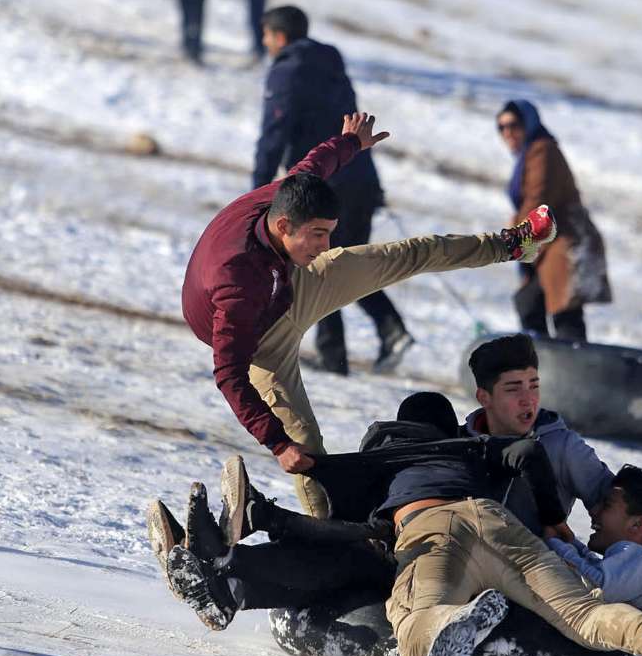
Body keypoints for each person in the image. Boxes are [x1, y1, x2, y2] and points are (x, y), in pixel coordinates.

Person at [162, 392, 642, 656]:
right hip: (504, 530)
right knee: (589, 618)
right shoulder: (477, 451)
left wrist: (281, 512)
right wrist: (553, 521)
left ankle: (445, 627)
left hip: (430, 537)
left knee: (410, 622)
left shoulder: (388, 456)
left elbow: (356, 524)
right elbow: (528, 453)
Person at [181, 110, 557, 518]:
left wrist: (350, 144)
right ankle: (330, 544)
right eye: (319, 235)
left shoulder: (282, 202)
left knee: (408, 253)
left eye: (329, 232)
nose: (327, 245)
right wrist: (276, 442)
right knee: (303, 449)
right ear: (284, 225)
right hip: (261, 342)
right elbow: (228, 373)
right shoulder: (235, 280)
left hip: (293, 283)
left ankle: (512, 245)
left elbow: (312, 168)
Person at [253, 6, 412, 377]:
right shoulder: (330, 62)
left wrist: (258, 194)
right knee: (342, 262)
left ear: (278, 36)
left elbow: (273, 135)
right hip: (360, 177)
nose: (264, 44)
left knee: (319, 266)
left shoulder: (286, 71)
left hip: (324, 184)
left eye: (266, 36)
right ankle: (387, 330)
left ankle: (338, 354)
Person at [463, 333, 614, 532]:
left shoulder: (563, 448)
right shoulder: (461, 443)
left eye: (534, 386)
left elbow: (622, 515)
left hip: (538, 561)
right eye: (513, 389)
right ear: (484, 398)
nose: (528, 399)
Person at [496, 99, 611, 342]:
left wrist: (516, 239)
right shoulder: (529, 154)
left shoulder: (542, 150)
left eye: (514, 125)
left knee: (564, 310)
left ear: (528, 123)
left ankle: (570, 369)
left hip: (566, 243)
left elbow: (537, 200)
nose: (508, 133)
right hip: (548, 244)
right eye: (501, 128)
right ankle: (543, 365)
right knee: (531, 302)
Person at [545, 465, 642, 613]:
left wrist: (555, 543)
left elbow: (599, 586)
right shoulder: (640, 564)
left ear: (637, 524)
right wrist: (572, 543)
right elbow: (595, 569)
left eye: (607, 505)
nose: (594, 511)